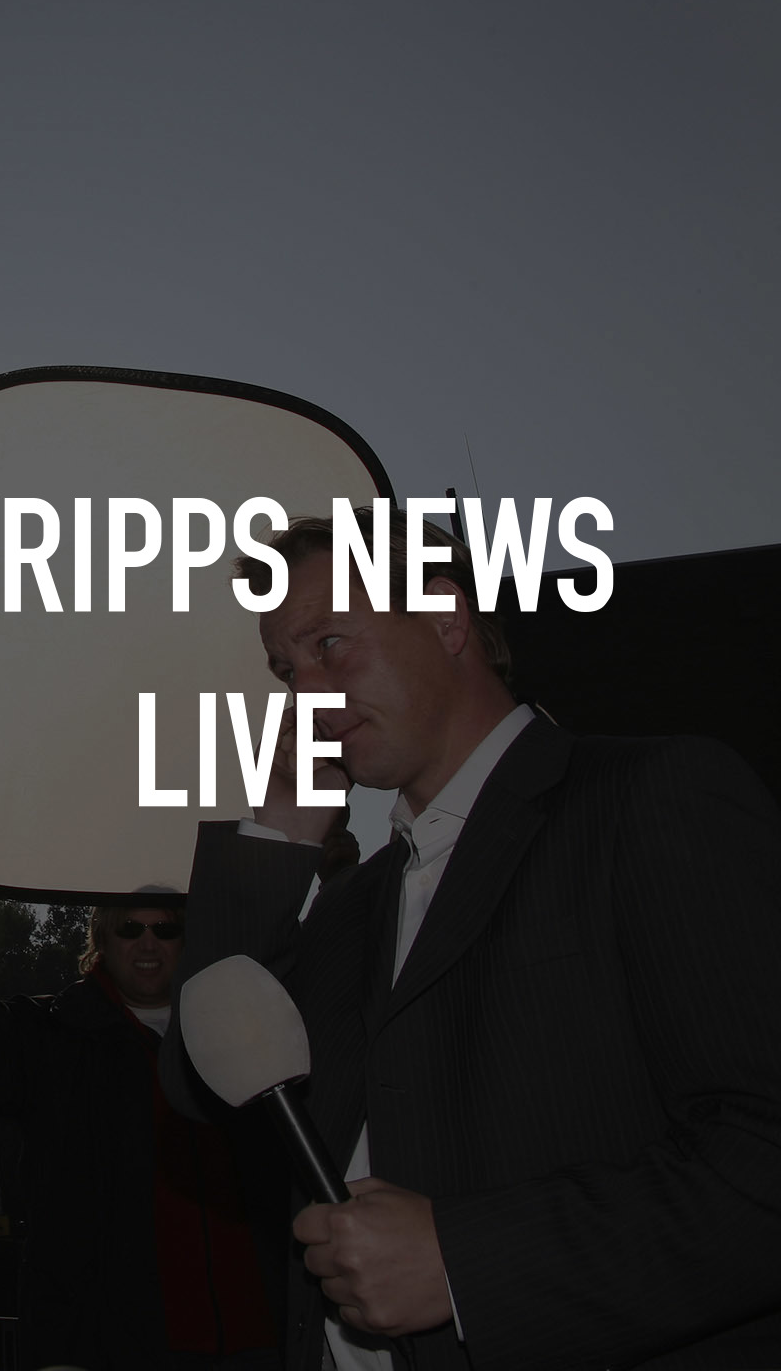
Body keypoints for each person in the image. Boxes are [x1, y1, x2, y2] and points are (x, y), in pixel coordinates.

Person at [160, 507, 781, 1371]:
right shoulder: (351, 906)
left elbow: (761, 1155)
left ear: (447, 619)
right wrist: (278, 836)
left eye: (330, 643)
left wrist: (465, 1264)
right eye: (286, 670)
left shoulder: (650, 797)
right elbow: (204, 1084)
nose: (306, 694)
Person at [0, 839, 289, 1371]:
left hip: (257, 1340)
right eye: (130, 928)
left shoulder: (243, 1035)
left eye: (165, 929)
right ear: (101, 937)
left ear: (187, 939)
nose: (148, 943)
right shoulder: (56, 1037)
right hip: (109, 1346)